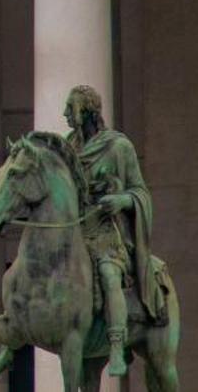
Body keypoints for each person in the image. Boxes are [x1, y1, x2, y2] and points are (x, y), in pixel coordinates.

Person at [62, 83, 165, 377]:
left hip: (108, 234)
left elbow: (141, 192)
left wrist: (121, 200)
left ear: (87, 112)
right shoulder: (68, 148)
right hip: (76, 235)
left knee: (109, 273)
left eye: (71, 109)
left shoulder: (119, 147)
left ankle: (117, 346)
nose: (65, 115)